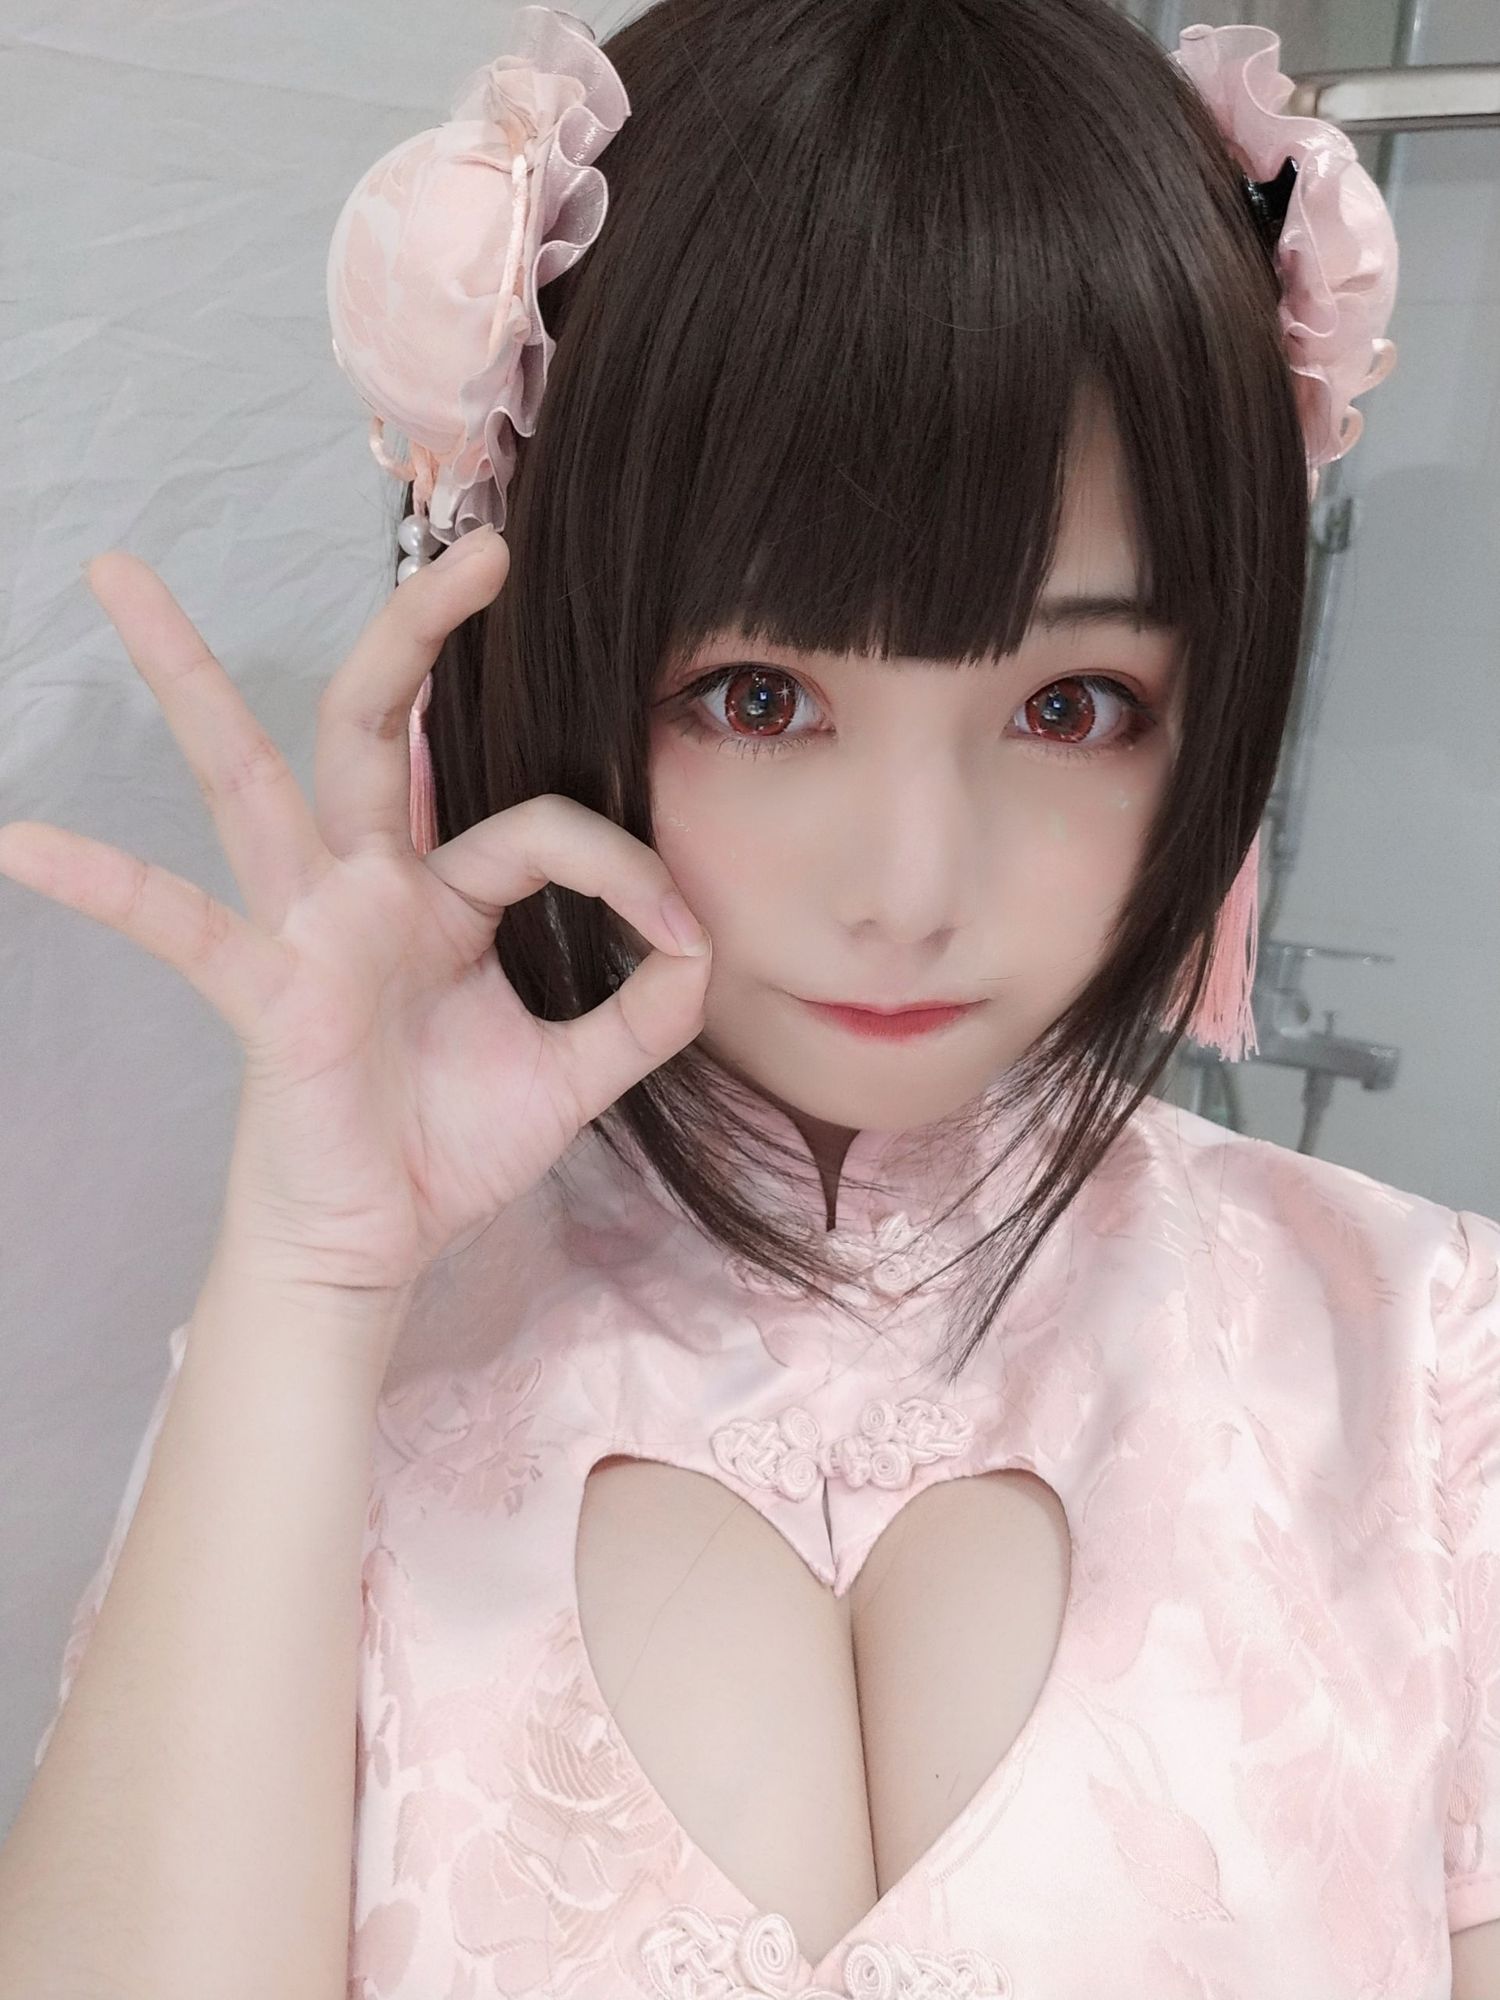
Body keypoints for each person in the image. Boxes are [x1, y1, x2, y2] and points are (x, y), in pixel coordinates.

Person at [0, 0, 1495, 1995]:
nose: (911, 890)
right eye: (762, 696)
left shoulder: (1423, 1363)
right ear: (539, 647)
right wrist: (308, 1276)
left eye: (1070, 705)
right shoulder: (331, 1365)